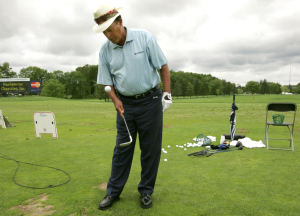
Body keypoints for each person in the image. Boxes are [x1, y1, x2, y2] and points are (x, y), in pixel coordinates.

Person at [93, 3, 172, 210]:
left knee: (150, 149)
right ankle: (113, 193)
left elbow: (163, 65)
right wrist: (115, 100)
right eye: (104, 32)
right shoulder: (105, 51)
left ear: (120, 22)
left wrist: (167, 93)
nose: (108, 35)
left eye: (110, 29)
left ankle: (146, 191)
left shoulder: (145, 37)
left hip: (151, 101)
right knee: (122, 148)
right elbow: (106, 83)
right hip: (125, 104)